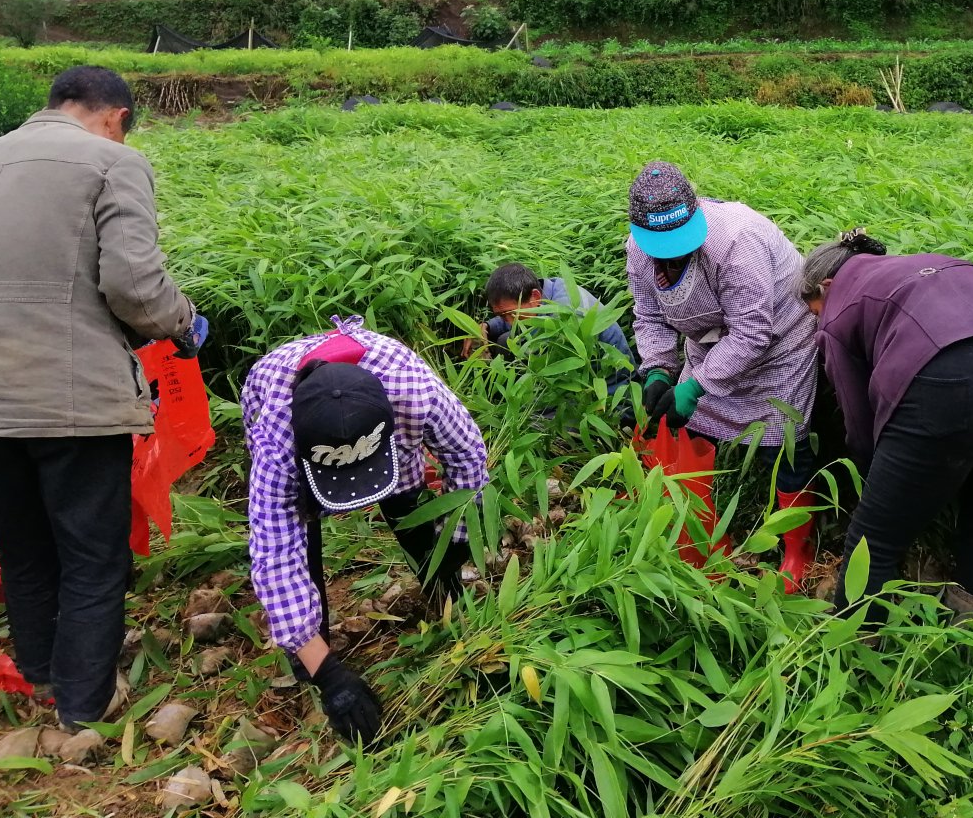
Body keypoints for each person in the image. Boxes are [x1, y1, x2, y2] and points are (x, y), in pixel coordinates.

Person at [0, 66, 206, 731]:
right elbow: (133, 284)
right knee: (91, 554)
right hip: (72, 397)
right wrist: (183, 324)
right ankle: (83, 708)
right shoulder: (112, 162)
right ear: (118, 117)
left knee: (23, 551)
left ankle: (46, 678)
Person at [240, 316, 489, 744]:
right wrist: (330, 677)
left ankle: (445, 589)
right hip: (282, 411)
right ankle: (310, 654)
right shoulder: (276, 438)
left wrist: (458, 541)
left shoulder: (413, 393)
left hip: (394, 426)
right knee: (303, 539)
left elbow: (467, 457)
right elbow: (276, 552)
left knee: (409, 509)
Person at [800, 229, 973, 622]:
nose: (818, 322)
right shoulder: (928, 262)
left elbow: (859, 422)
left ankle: (857, 644)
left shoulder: (839, 306)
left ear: (826, 286)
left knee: (875, 537)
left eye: (814, 312)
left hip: (950, 383)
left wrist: (879, 483)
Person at [625, 161, 818, 590]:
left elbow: (752, 332)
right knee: (692, 428)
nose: (673, 254)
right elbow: (650, 314)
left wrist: (697, 385)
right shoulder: (638, 250)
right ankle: (705, 536)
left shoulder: (736, 239)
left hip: (780, 346)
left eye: (682, 243)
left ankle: (797, 549)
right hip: (711, 343)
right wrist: (658, 369)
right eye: (663, 246)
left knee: (782, 443)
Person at [482, 262, 635, 385]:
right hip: (579, 379)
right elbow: (512, 315)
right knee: (505, 340)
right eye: (502, 316)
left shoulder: (565, 314)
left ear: (534, 296)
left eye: (512, 314)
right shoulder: (547, 290)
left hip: (610, 389)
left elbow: (559, 378)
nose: (509, 321)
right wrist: (486, 327)